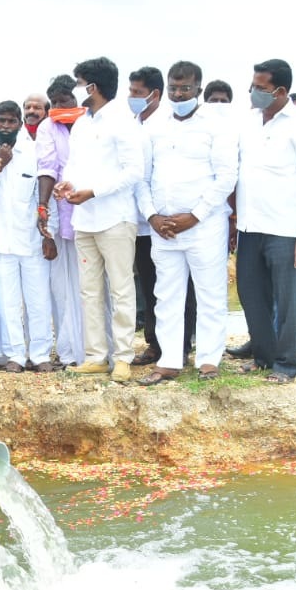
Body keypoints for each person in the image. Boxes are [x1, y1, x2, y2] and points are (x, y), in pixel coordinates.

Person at [135, 60, 238, 384]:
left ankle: (208, 360)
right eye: (174, 88)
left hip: (204, 226)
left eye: (186, 88)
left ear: (198, 89)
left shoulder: (217, 125)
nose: (179, 94)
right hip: (164, 229)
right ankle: (169, 361)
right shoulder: (154, 126)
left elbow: (226, 176)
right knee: (166, 295)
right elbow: (142, 178)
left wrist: (194, 216)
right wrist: (152, 216)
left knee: (209, 294)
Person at [234, 58, 296, 383]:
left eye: (261, 88)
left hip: (286, 229)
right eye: (253, 86)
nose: (254, 92)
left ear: (281, 91)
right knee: (251, 293)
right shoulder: (247, 121)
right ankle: (263, 356)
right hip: (249, 226)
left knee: (288, 300)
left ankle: (287, 364)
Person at [54, 57, 143, 381]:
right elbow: (74, 165)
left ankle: (123, 357)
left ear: (92, 87)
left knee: (121, 290)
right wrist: (68, 184)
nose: (76, 90)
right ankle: (95, 356)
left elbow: (134, 171)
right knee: (89, 291)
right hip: (84, 220)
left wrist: (94, 192)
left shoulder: (122, 121)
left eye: (79, 84)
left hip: (115, 218)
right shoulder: (82, 124)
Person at [0, 101, 57, 373]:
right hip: (0, 243)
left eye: (12, 121)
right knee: (7, 303)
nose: (6, 126)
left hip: (33, 241)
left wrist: (50, 234)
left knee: (38, 300)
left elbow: (45, 197)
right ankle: (15, 356)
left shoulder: (33, 152)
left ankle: (41, 355)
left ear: (20, 124)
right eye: (2, 121)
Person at [128, 65, 196, 370]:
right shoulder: (132, 124)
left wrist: (160, 215)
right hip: (141, 221)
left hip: (167, 222)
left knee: (179, 289)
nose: (132, 97)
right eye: (130, 91)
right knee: (150, 286)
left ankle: (181, 347)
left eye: (137, 92)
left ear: (154, 94)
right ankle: (155, 343)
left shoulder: (167, 125)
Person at [36, 74, 85, 366]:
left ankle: (99, 349)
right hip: (62, 213)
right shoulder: (47, 127)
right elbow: (47, 168)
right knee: (65, 287)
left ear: (75, 99)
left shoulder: (90, 122)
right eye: (54, 103)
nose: (58, 107)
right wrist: (43, 207)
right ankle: (70, 352)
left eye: (64, 101)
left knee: (92, 285)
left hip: (93, 211)